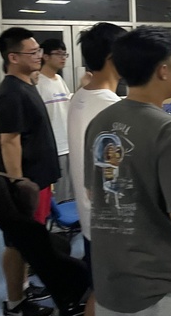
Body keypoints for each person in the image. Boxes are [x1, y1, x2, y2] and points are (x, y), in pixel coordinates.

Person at [84, 26, 171, 315]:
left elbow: (93, 191)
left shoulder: (99, 121)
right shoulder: (167, 129)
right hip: (159, 285)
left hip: (111, 276)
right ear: (163, 71)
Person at [0, 27, 60, 316]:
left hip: (38, 180)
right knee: (18, 244)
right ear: (13, 57)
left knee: (25, 244)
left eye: (39, 51)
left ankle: (22, 289)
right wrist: (19, 185)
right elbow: (8, 141)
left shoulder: (26, 85)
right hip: (27, 184)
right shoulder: (11, 92)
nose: (39, 56)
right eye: (32, 52)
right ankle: (15, 304)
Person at [67, 23, 126, 316]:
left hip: (91, 219)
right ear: (113, 57)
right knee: (111, 297)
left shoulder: (80, 96)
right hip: (113, 226)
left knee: (101, 291)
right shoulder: (111, 109)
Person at [37, 39, 73, 203]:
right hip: (53, 147)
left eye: (65, 54)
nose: (63, 58)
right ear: (45, 56)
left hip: (68, 144)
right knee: (60, 196)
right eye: (58, 54)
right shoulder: (37, 83)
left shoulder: (59, 79)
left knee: (72, 194)